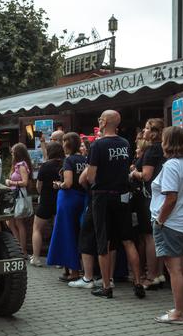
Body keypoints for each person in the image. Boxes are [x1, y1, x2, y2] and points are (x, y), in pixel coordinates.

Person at [87, 110, 144, 299]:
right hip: (122, 196)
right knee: (128, 240)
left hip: (102, 197)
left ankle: (106, 286)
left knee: (104, 241)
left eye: (100, 118)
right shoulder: (126, 143)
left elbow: (90, 176)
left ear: (104, 122)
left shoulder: (97, 145)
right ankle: (138, 282)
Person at [151, 126, 183, 324]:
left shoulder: (171, 165)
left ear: (168, 143)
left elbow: (171, 198)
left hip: (172, 223)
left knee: (175, 269)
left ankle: (178, 313)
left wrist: (160, 220)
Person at [130, 118, 166, 289]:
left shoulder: (151, 150)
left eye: (146, 128)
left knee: (150, 236)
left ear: (154, 132)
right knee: (156, 235)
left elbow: (146, 175)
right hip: (160, 196)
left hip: (148, 197)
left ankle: (151, 275)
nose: (143, 132)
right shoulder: (164, 149)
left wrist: (133, 173)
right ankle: (159, 274)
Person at [47, 133, 87, 281]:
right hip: (82, 198)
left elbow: (68, 183)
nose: (62, 145)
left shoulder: (69, 160)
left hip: (68, 199)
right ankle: (81, 270)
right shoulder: (84, 159)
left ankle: (73, 272)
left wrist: (59, 184)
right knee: (78, 234)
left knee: (66, 234)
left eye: (64, 141)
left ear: (67, 144)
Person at [30, 141, 64, 267]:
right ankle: (59, 260)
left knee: (37, 228)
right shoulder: (64, 164)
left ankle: (36, 258)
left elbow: (39, 185)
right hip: (60, 199)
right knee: (58, 229)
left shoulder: (45, 166)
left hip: (46, 200)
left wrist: (41, 193)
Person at [5, 143, 33, 256]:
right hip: (13, 194)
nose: (11, 154)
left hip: (18, 195)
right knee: (10, 222)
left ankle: (22, 250)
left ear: (17, 153)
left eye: (13, 152)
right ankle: (19, 247)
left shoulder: (21, 165)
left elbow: (25, 182)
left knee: (18, 222)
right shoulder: (17, 165)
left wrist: (11, 182)